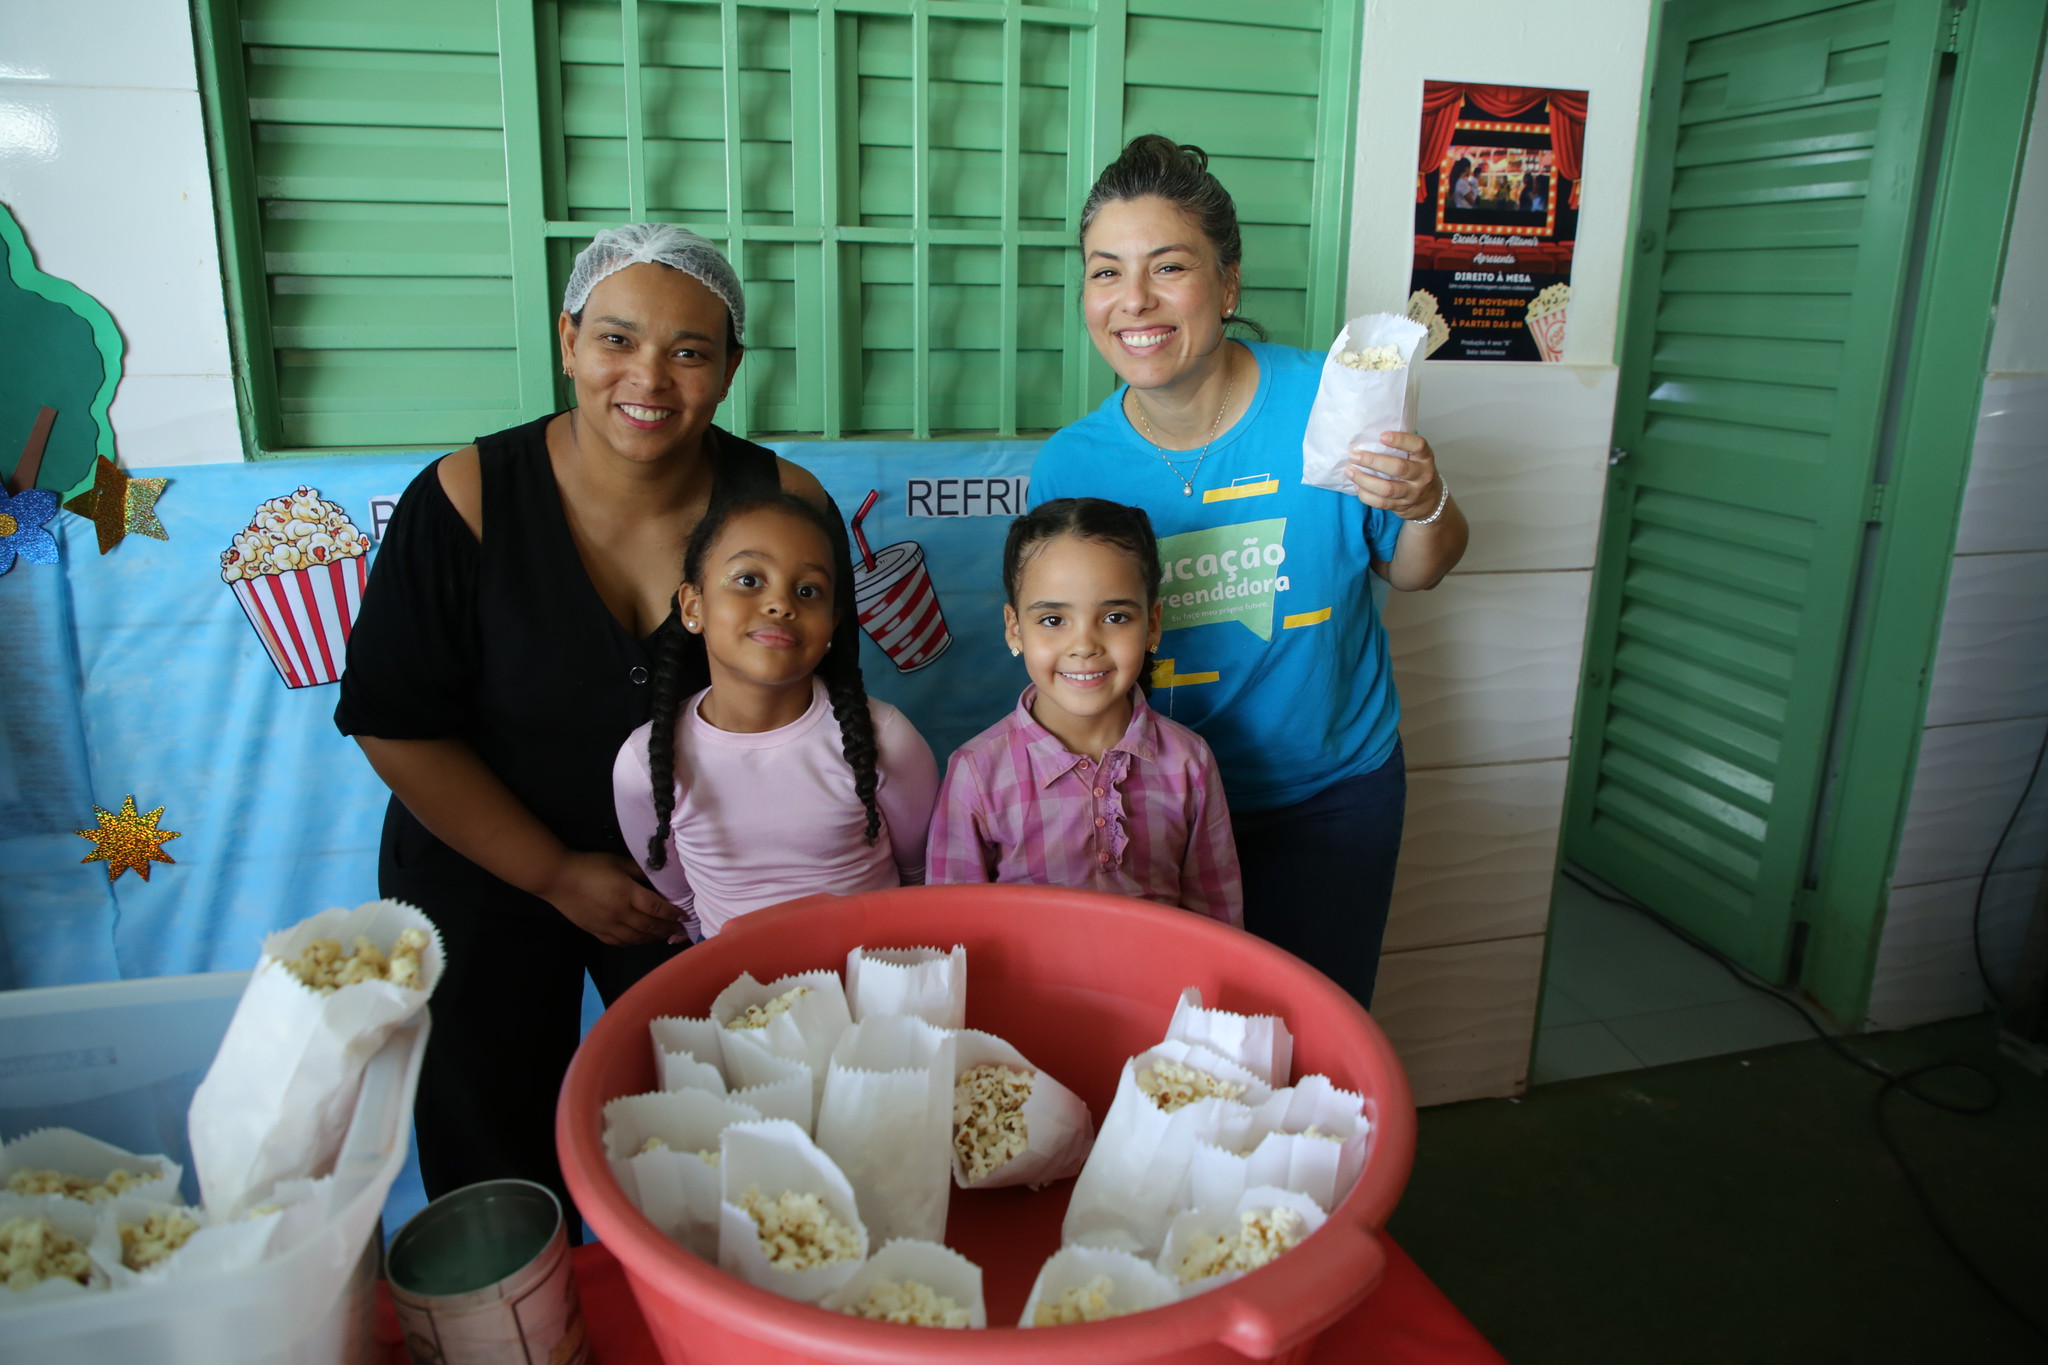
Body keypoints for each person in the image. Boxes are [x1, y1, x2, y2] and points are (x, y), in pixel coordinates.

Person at [334, 223, 857, 1227]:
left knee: (728, 1154)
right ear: (568, 341)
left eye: (689, 351)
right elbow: (396, 724)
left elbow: (823, 720)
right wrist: (552, 873)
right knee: (492, 1165)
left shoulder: (784, 506)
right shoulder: (466, 498)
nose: (648, 378)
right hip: (482, 872)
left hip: (699, 889)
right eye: (616, 339)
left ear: (730, 369)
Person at [1028, 134, 1470, 1006]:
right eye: (1106, 272)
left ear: (1228, 285)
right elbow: (1065, 659)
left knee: (1314, 1029)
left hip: (1329, 795)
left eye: (1169, 267)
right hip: (1150, 803)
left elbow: (1420, 568)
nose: (1134, 300)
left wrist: (1426, 501)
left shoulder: (1331, 401)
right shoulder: (1070, 466)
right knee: (1168, 1038)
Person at [614, 492, 938, 938]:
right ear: (693, 607)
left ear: (832, 623)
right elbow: (681, 899)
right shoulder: (644, 763)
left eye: (808, 591)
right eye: (749, 580)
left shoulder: (885, 737)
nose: (781, 604)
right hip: (732, 978)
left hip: (872, 972)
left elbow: (919, 874)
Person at [926, 498, 1241, 925]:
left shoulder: (1190, 761)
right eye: (1053, 620)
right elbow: (952, 927)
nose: (1084, 645)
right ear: (1015, 628)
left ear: (1152, 624)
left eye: (1115, 617)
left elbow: (1218, 921)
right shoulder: (977, 773)